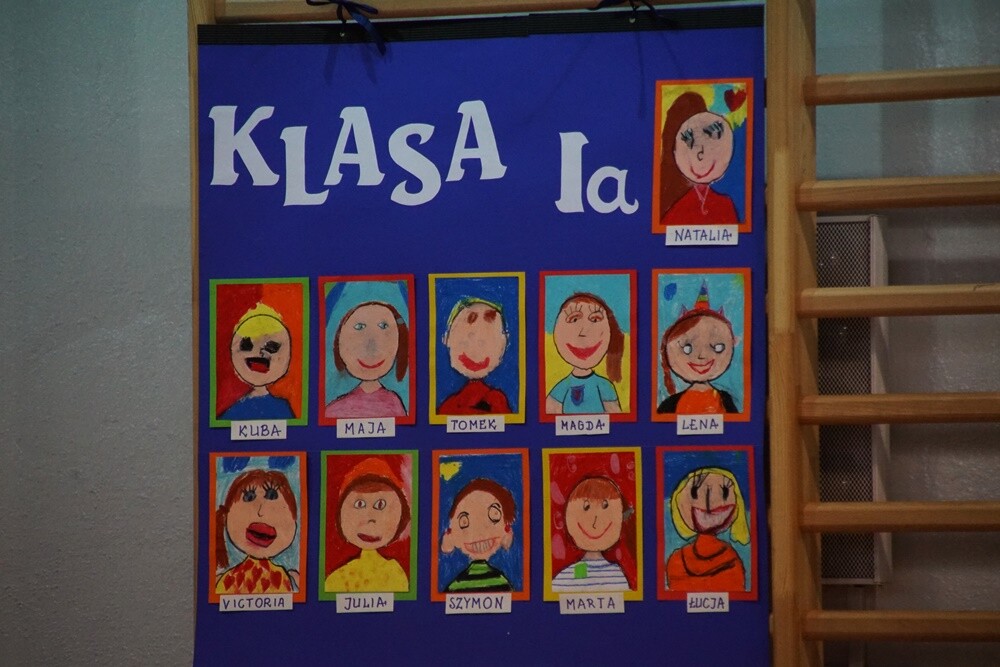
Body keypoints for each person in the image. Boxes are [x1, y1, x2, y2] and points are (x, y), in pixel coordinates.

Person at [324, 458, 410, 593]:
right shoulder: (336, 579)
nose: (370, 518)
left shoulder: (395, 573)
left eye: (380, 505)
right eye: (359, 504)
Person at [657, 282, 740, 414]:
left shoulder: (726, 401)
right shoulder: (670, 405)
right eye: (687, 348)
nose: (702, 356)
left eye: (717, 347)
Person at [658, 91, 739, 226]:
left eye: (710, 136)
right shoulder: (674, 208)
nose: (700, 153)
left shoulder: (724, 204)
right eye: (689, 141)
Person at [215, 468, 299, 594]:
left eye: (272, 495)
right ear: (226, 515)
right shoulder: (223, 582)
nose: (261, 511)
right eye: (249, 497)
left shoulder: (292, 580)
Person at [666, 466, 749, 592]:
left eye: (724, 492)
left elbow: (736, 592)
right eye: (694, 492)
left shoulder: (731, 560)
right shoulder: (677, 561)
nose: (709, 501)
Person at [324, 301, 407, 419]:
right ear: (339, 339)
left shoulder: (395, 405)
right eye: (359, 327)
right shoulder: (333, 410)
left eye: (383, 326)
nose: (371, 344)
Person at [546, 292, 623, 415]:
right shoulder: (562, 387)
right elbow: (549, 413)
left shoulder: (604, 386)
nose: (583, 332)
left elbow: (616, 417)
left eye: (595, 319)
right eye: (574, 319)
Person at [551, 476, 631, 593]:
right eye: (586, 507)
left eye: (605, 506)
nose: (595, 522)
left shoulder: (616, 575)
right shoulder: (572, 573)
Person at [219, 303, 295, 420]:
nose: (259, 353)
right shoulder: (233, 412)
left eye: (271, 347)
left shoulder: (283, 408)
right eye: (246, 345)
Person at [440, 478, 516, 593]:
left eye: (494, 515)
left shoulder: (503, 584)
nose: (480, 532)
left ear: (507, 528)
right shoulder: (454, 587)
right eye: (464, 522)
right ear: (451, 534)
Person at [439, 298, 512, 415]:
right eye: (464, 343)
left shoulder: (497, 401)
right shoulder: (449, 405)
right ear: (446, 338)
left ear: (504, 343)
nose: (475, 353)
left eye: (485, 343)